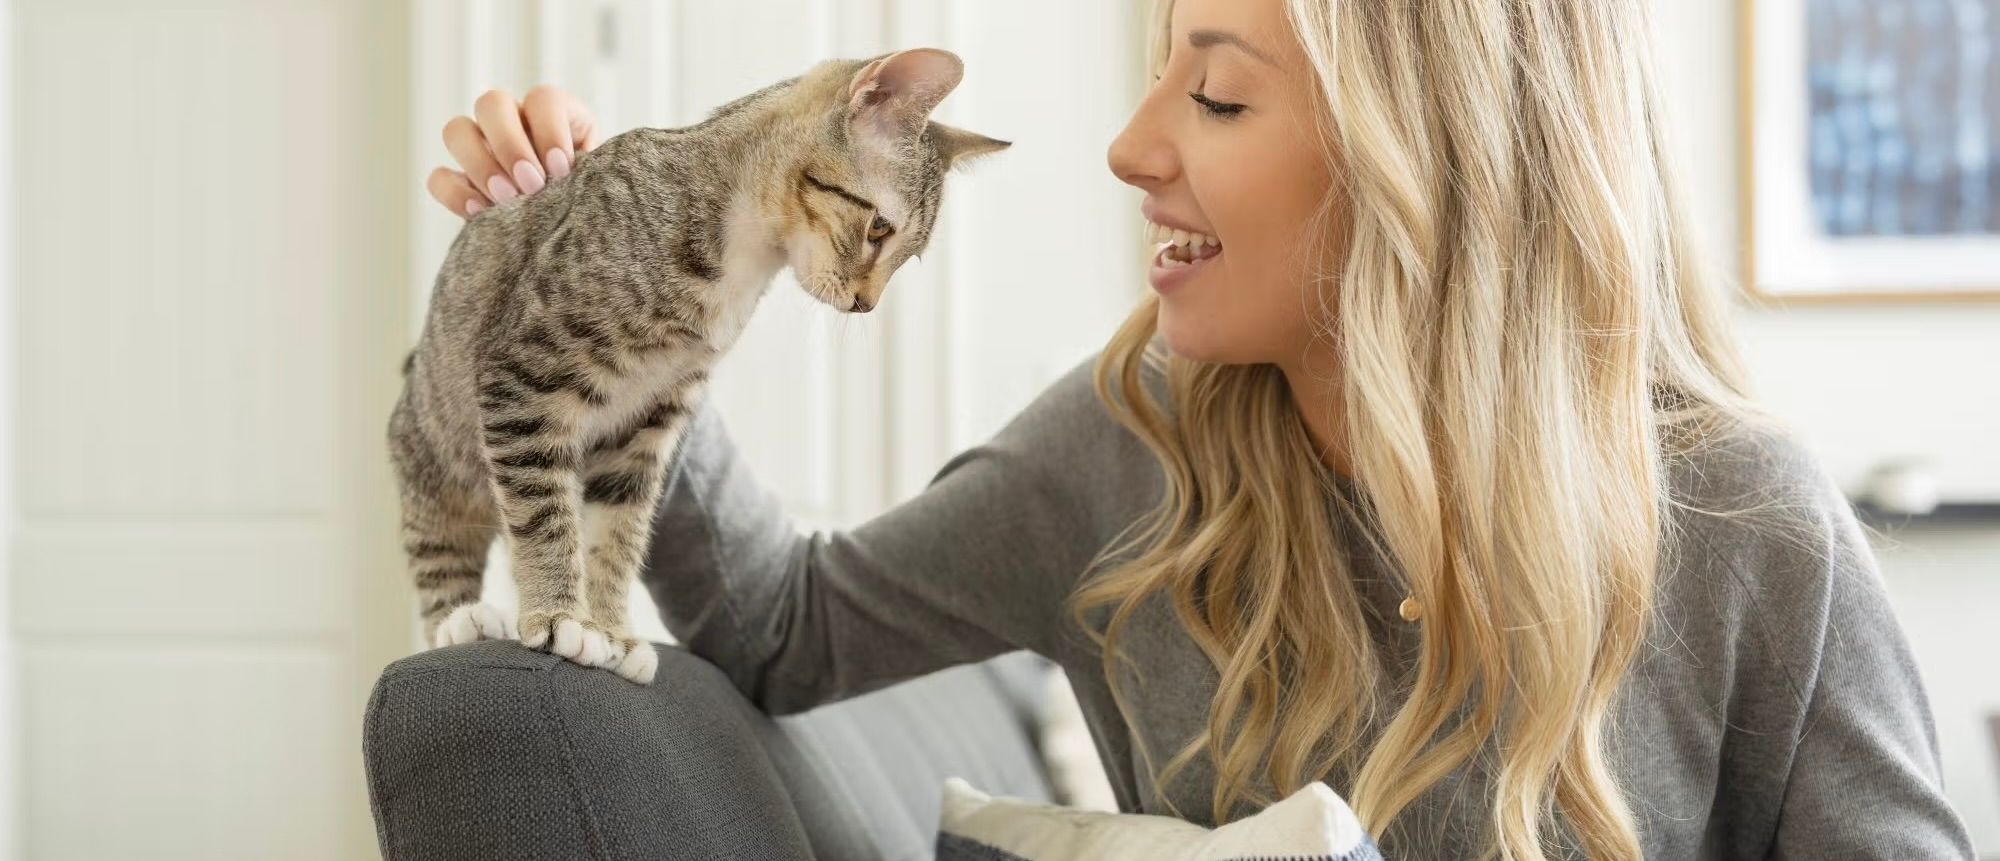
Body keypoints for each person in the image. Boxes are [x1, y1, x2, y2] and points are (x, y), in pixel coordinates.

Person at [424, 1, 1977, 858]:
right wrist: (604, 300)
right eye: (1159, 69)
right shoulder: (1132, 450)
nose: (1129, 145)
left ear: (1424, 162)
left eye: (1218, 98)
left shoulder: (1746, 524)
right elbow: (782, 629)